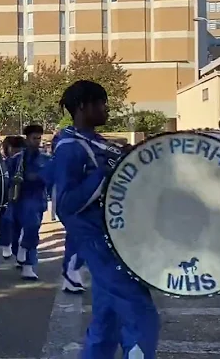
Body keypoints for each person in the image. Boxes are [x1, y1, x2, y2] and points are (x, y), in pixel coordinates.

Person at [53, 80, 159, 358]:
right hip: (100, 241)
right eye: (101, 103)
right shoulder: (69, 147)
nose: (106, 109)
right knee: (140, 311)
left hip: (113, 237)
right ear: (83, 107)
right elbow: (65, 205)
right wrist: (104, 174)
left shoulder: (97, 142)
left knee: (107, 319)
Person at [3, 124, 50, 281]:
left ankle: (29, 266)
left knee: (32, 228)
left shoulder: (45, 158)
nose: (37, 141)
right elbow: (5, 177)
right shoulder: (16, 159)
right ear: (27, 139)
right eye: (34, 138)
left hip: (36, 199)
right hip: (18, 199)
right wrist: (14, 180)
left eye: (39, 138)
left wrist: (38, 178)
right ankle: (20, 255)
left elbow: (51, 177)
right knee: (16, 233)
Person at [47, 131, 86, 294]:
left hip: (76, 200)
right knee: (78, 236)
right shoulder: (62, 155)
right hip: (69, 201)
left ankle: (72, 274)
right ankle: (70, 274)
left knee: (80, 237)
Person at [0, 135, 25, 258]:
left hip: (23, 196)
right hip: (9, 196)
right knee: (7, 221)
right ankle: (6, 244)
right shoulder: (5, 162)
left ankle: (14, 248)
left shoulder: (23, 159)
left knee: (18, 225)